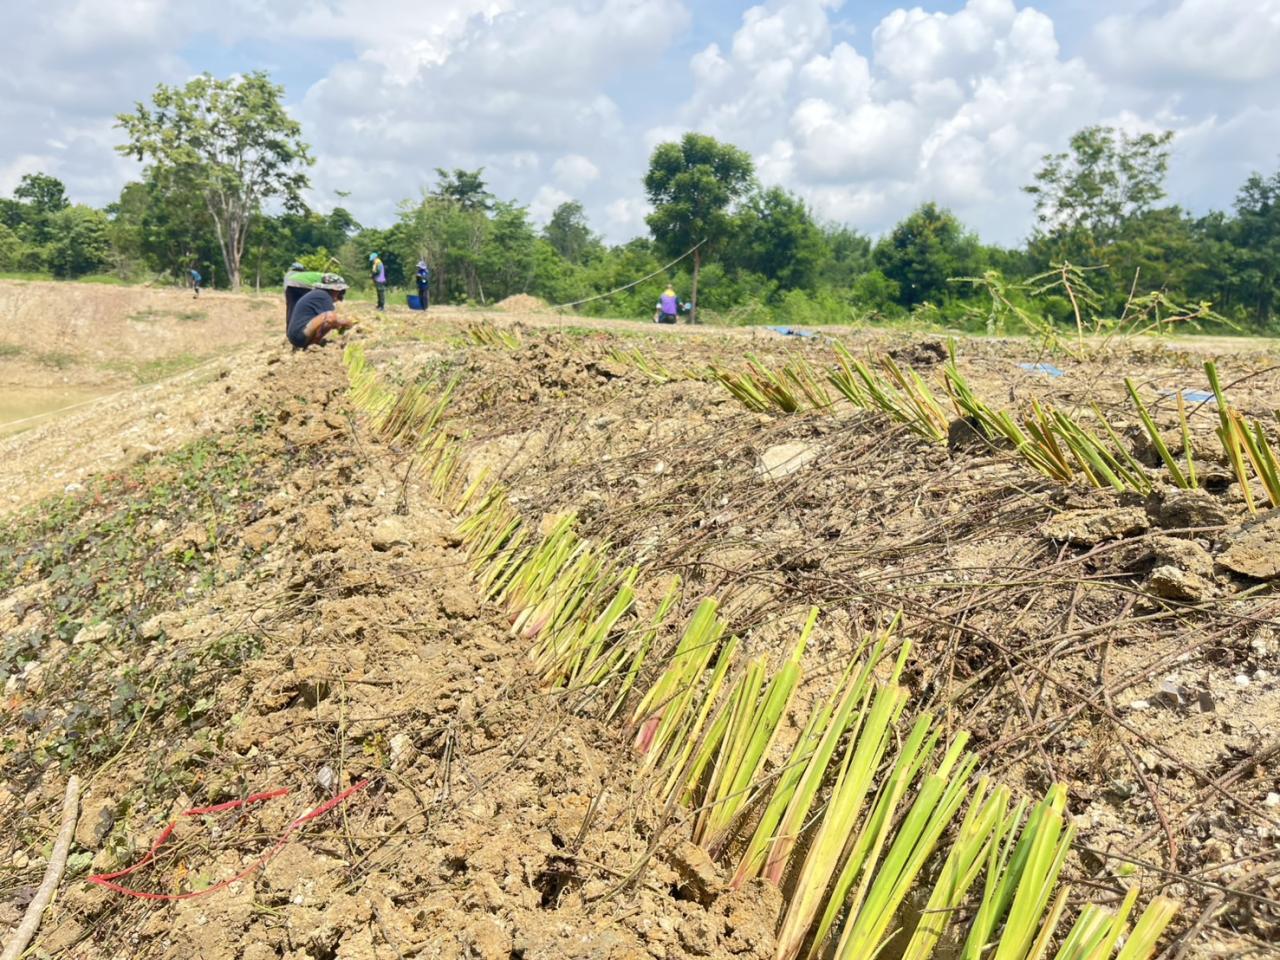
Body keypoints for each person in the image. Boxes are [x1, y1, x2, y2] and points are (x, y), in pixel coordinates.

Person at [287, 274, 353, 349]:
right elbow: (331, 320)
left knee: (330, 318)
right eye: (342, 292)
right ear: (335, 290)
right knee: (330, 316)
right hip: (299, 335)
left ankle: (310, 344)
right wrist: (345, 323)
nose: (341, 296)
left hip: (296, 335)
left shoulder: (319, 294)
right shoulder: (324, 296)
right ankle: (313, 345)